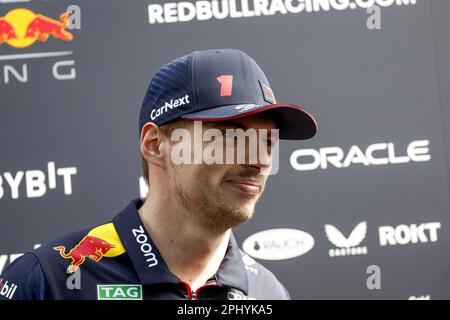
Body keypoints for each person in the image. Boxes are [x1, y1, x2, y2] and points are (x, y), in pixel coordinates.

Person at [0, 48, 317, 300]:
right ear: (155, 145)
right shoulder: (49, 280)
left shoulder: (268, 292)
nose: (260, 159)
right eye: (232, 136)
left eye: (267, 141)